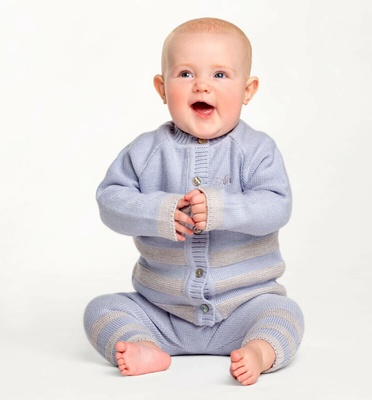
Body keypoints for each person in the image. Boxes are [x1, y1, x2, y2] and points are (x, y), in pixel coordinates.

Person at [84, 17, 304, 386]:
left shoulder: (256, 150)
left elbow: (276, 205)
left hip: (243, 310)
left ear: (247, 90)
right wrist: (158, 212)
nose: (202, 85)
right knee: (101, 309)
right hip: (162, 312)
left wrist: (221, 209)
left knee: (285, 313)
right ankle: (144, 346)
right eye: (185, 73)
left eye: (220, 74)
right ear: (162, 87)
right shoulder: (146, 151)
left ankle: (259, 351)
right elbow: (110, 200)